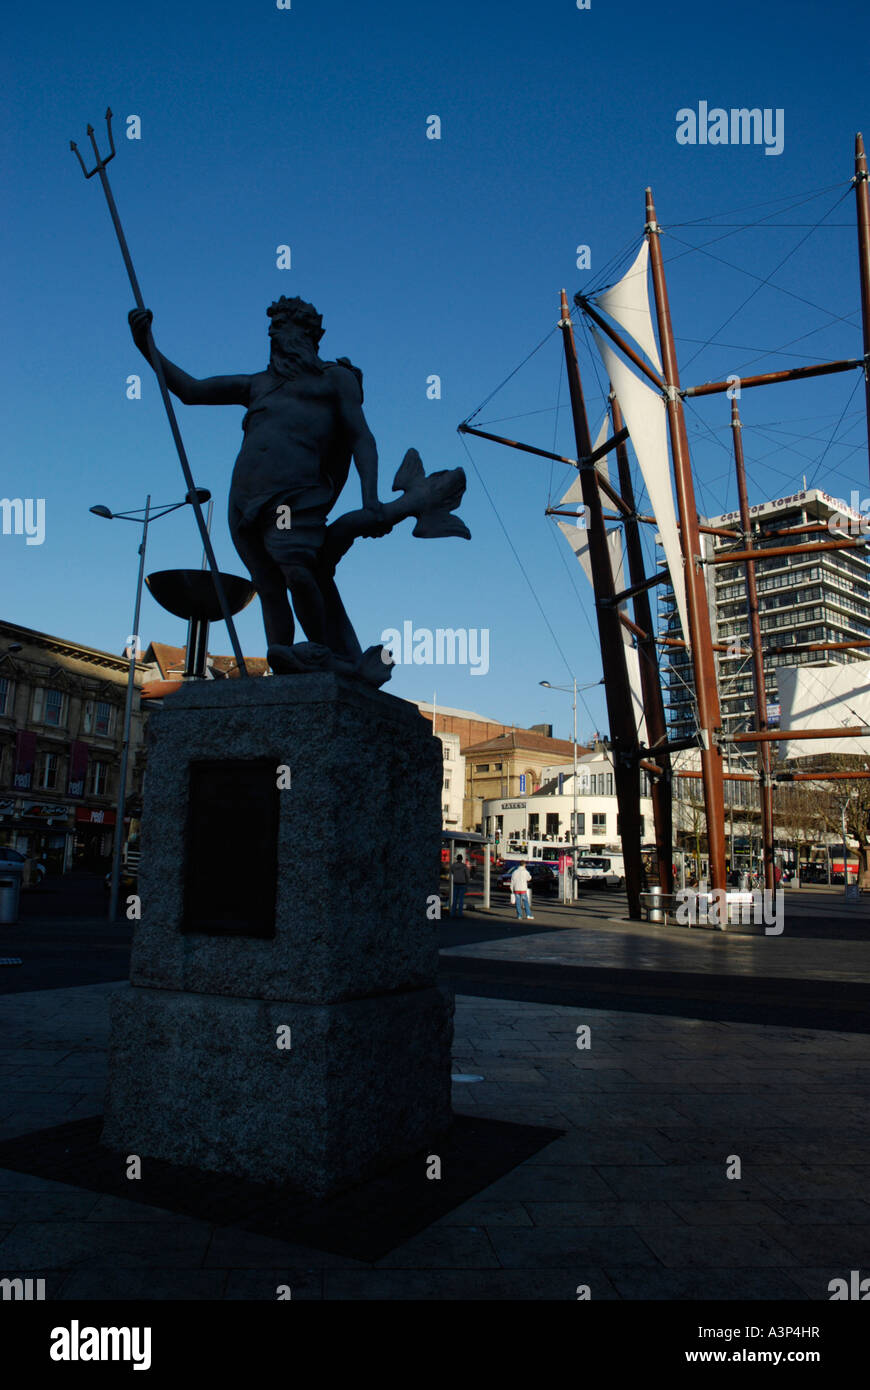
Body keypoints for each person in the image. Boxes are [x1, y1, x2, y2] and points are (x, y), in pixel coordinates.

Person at [451, 854, 470, 918]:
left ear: (457, 859)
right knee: (461, 900)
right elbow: (467, 875)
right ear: (461, 859)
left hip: (455, 883)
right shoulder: (464, 866)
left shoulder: (453, 865)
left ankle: (453, 913)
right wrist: (467, 883)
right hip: (462, 884)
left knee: (454, 900)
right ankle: (460, 914)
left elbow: (452, 872)